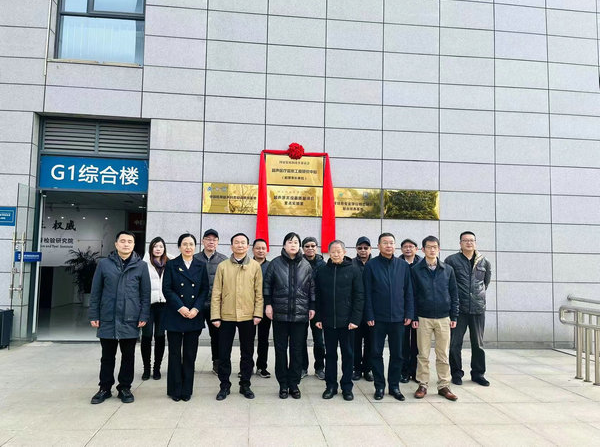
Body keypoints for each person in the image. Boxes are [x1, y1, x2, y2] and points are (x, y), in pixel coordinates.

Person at [89, 231, 150, 404]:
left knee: (128, 356)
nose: (126, 244)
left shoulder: (141, 266)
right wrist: (94, 314)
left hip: (130, 318)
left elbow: (145, 294)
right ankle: (104, 388)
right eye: (122, 241)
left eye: (130, 241)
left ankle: (124, 388)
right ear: (116, 244)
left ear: (134, 245)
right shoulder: (104, 264)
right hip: (108, 317)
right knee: (107, 356)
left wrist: (143, 314)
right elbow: (96, 292)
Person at [211, 233, 263, 401]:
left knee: (247, 352)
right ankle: (224, 385)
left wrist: (258, 313)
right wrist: (215, 316)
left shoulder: (255, 266)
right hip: (226, 316)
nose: (240, 245)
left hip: (248, 316)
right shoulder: (223, 266)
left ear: (248, 246)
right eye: (236, 242)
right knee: (224, 353)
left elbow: (259, 293)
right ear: (231, 246)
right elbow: (216, 293)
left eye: (243, 243)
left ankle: (245, 384)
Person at [263, 232, 315, 399]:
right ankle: (283, 384)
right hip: (280, 314)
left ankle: (294, 384)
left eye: (296, 242)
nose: (293, 245)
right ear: (284, 245)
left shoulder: (306, 265)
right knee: (280, 350)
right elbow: (267, 286)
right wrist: (268, 305)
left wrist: (312, 307)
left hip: (300, 315)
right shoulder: (275, 263)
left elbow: (312, 288)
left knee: (297, 350)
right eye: (290, 242)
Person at [363, 232, 414, 401]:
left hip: (399, 318)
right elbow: (367, 293)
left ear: (395, 245)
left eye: (391, 243)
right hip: (377, 319)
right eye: (385, 243)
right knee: (375, 353)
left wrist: (409, 313)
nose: (388, 245)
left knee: (398, 354)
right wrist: (369, 314)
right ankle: (379, 386)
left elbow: (409, 291)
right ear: (378, 246)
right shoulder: (371, 265)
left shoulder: (403, 266)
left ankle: (394, 386)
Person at [315, 240, 364, 401]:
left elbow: (359, 296)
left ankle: (347, 387)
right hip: (328, 321)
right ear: (329, 253)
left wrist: (355, 319)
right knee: (330, 355)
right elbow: (318, 296)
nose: (336, 254)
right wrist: (318, 317)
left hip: (347, 322)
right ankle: (331, 386)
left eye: (338, 251)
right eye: (333, 252)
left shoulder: (354, 270)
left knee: (348, 355)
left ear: (344, 252)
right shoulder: (322, 270)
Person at [411, 236, 459, 401]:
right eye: (429, 247)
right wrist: (414, 316)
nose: (432, 250)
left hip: (444, 317)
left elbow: (454, 294)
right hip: (423, 317)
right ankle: (422, 384)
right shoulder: (416, 270)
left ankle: (444, 385)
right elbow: (412, 295)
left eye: (435, 247)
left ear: (439, 249)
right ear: (423, 249)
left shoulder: (448, 269)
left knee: (443, 354)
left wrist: (454, 315)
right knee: (423, 354)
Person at [162, 233, 209, 402]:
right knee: (174, 354)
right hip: (175, 314)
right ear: (179, 246)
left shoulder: (201, 265)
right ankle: (175, 389)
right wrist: (180, 307)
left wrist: (196, 308)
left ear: (195, 247)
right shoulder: (171, 264)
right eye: (185, 244)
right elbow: (167, 289)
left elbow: (204, 289)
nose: (188, 247)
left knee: (190, 354)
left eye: (191, 244)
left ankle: (187, 389)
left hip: (194, 315)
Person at [445, 231, 492, 387]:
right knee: (455, 344)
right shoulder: (451, 260)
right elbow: (448, 283)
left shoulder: (484, 261)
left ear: (475, 243)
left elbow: (485, 283)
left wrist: (476, 297)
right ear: (460, 243)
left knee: (478, 344)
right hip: (459, 309)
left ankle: (478, 374)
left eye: (471, 240)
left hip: (478, 308)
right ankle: (456, 373)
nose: (469, 243)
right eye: (465, 240)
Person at [194, 229, 227, 375]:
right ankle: (189, 363)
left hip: (216, 305)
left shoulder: (224, 260)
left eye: (214, 239)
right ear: (203, 241)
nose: (211, 242)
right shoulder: (194, 258)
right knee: (192, 335)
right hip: (197, 304)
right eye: (208, 239)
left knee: (217, 336)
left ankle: (217, 363)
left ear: (218, 242)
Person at [141, 236, 170, 381]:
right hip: (148, 305)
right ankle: (146, 369)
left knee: (160, 337)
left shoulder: (169, 263)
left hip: (163, 305)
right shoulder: (144, 264)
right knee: (146, 337)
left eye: (161, 246)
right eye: (155, 246)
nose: (158, 249)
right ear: (151, 248)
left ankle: (156, 368)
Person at [301, 236, 326, 380]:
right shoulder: (298, 263)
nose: (310, 248)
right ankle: (302, 367)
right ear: (303, 248)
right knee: (300, 339)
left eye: (313, 246)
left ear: (316, 247)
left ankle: (319, 367)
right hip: (302, 305)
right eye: (307, 246)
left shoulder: (323, 265)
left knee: (319, 340)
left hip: (318, 307)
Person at [399, 238, 422, 384]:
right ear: (401, 249)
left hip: (419, 309)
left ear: (416, 249)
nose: (408, 249)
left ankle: (415, 371)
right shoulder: (397, 264)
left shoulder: (422, 265)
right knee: (403, 344)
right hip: (401, 310)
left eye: (411, 246)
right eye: (405, 247)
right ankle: (404, 372)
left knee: (417, 344)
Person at [352, 236, 374, 382]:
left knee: (370, 342)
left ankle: (368, 369)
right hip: (355, 310)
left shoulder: (375, 264)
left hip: (372, 310)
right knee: (355, 342)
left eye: (366, 248)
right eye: (360, 248)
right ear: (356, 249)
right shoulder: (351, 264)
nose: (363, 250)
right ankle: (357, 369)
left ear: (370, 249)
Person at [253, 238, 272, 378]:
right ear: (253, 249)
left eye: (263, 248)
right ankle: (246, 367)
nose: (260, 250)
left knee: (263, 339)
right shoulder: (247, 264)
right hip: (248, 307)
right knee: (247, 340)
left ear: (267, 250)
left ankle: (262, 366)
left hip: (266, 308)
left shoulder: (272, 266)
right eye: (258, 248)